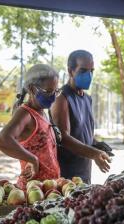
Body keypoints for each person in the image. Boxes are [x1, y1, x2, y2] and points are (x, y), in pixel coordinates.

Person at [51, 50, 111, 184]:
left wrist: (95, 144)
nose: (88, 75)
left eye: (92, 71)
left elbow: (81, 131)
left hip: (84, 171)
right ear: (70, 71)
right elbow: (63, 138)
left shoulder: (87, 99)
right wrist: (94, 153)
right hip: (66, 175)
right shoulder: (62, 98)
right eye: (83, 70)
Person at [0, 64, 60, 186]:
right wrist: (33, 159)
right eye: (49, 92)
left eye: (56, 91)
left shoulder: (42, 113)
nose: (53, 97)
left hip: (47, 189)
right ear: (32, 89)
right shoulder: (25, 114)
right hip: (32, 191)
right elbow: (2, 139)